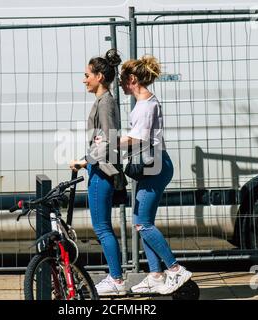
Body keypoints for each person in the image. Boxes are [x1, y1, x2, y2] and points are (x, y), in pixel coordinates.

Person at [117, 55, 192, 294]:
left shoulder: (145, 106)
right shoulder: (146, 102)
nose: (120, 84)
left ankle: (174, 269)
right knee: (141, 222)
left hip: (155, 166)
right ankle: (155, 274)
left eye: (122, 80)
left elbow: (139, 139)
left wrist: (110, 141)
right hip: (154, 165)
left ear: (132, 79)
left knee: (142, 222)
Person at [69, 49, 127, 296]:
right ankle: (115, 278)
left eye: (87, 75)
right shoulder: (104, 101)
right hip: (99, 168)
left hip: (101, 171)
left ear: (100, 76)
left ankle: (116, 280)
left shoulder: (105, 103)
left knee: (102, 228)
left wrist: (85, 161)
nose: (84, 80)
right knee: (102, 227)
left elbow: (108, 140)